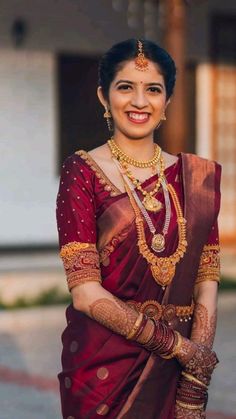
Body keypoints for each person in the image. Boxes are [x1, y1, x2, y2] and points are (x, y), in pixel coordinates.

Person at [56, 39, 221, 419]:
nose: (139, 102)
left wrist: (194, 380)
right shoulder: (82, 173)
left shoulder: (195, 178)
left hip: (178, 372)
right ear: (104, 96)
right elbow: (84, 293)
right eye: (125, 87)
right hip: (104, 369)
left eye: (153, 89)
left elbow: (206, 280)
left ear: (168, 99)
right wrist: (181, 349)